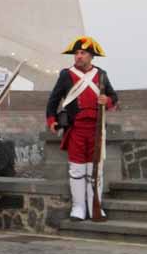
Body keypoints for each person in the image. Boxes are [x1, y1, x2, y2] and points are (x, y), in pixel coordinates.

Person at [45, 36, 118, 221]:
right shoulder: (65, 75)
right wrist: (52, 120)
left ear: (91, 56)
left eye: (82, 53)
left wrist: (106, 101)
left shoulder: (101, 75)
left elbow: (113, 97)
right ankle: (78, 207)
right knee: (77, 170)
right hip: (76, 128)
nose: (78, 56)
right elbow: (53, 100)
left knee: (95, 169)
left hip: (96, 129)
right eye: (77, 53)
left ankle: (96, 206)